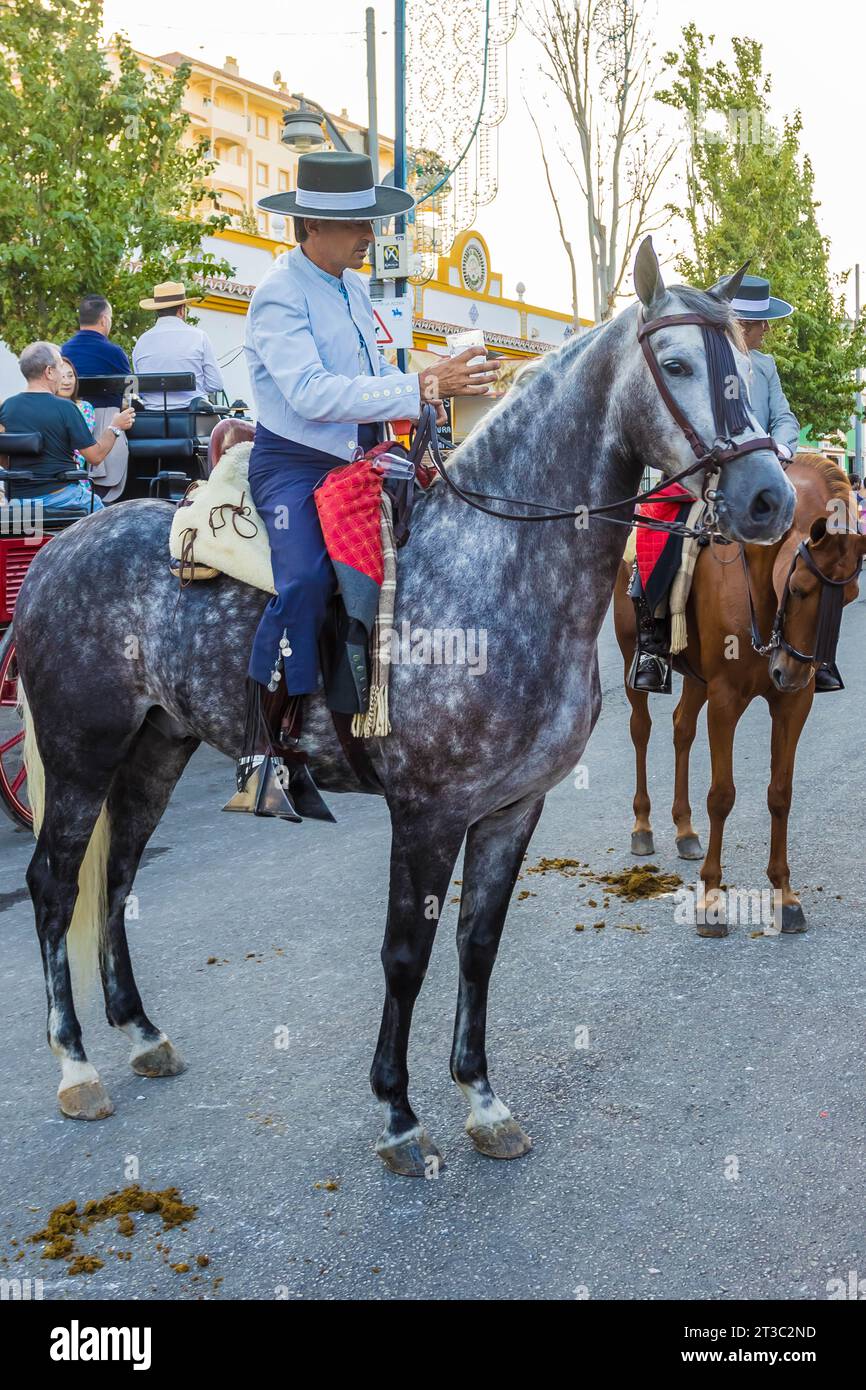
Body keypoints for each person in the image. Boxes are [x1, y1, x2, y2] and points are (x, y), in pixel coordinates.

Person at [231, 149, 499, 820]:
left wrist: (423, 390)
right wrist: (419, 384)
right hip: (292, 464)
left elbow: (374, 377)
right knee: (303, 583)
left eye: (369, 223)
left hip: (362, 458)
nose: (370, 236)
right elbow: (313, 393)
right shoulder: (277, 294)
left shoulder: (349, 288)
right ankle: (264, 753)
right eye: (358, 225)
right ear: (312, 226)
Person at [629, 272, 845, 694]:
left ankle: (819, 652)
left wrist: (779, 449)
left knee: (826, 549)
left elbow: (784, 417)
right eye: (763, 321)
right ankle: (654, 644)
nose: (768, 329)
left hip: (765, 470)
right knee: (657, 533)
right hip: (711, 470)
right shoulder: (708, 357)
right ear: (742, 323)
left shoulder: (766, 367)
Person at [0, 342, 134, 511]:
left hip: (18, 501)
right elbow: (95, 456)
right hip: (62, 497)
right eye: (59, 368)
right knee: (105, 518)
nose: (61, 375)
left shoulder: (7, 407)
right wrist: (115, 427)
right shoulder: (66, 408)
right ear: (49, 372)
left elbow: (3, 459)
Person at [62, 294, 132, 502]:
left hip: (69, 426)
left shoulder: (63, 351)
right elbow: (128, 393)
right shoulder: (114, 352)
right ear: (104, 320)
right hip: (106, 426)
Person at [132, 281, 226, 408]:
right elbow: (216, 384)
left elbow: (140, 387)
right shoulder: (199, 336)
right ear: (182, 310)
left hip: (152, 420)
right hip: (192, 419)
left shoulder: (141, 341)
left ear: (157, 311)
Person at [57, 357, 95, 467]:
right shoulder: (42, 407)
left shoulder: (84, 408)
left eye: (70, 376)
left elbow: (81, 451)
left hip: (73, 474)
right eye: (61, 377)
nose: (67, 382)